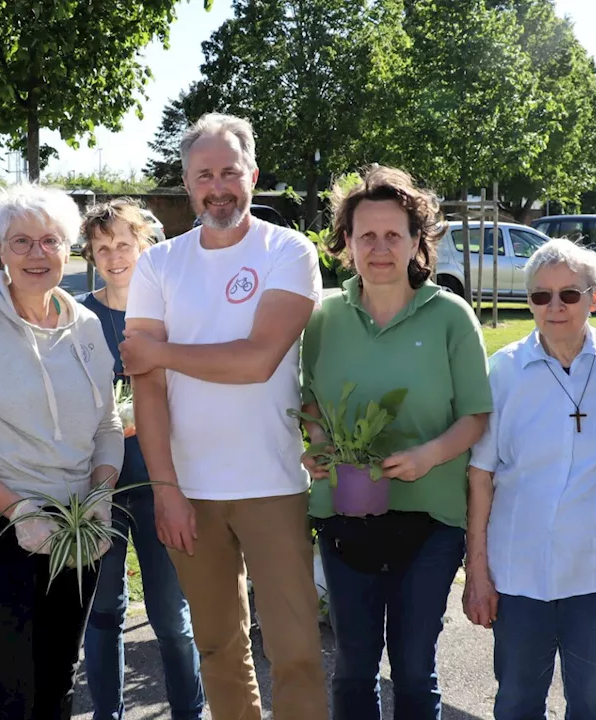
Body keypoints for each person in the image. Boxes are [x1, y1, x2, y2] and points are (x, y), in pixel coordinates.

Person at [119, 113, 328, 720]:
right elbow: (148, 387)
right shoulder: (159, 264)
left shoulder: (287, 250)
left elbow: (260, 360)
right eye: (203, 174)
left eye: (229, 171)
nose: (218, 186)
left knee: (296, 652)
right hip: (190, 490)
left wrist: (161, 352)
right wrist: (165, 488)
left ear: (253, 176)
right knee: (218, 645)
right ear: (186, 183)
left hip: (273, 483)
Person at [295, 165, 491, 720]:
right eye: (366, 236)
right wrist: (316, 443)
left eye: (393, 235)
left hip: (431, 517)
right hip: (345, 513)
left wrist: (425, 457)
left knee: (412, 667)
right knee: (354, 665)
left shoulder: (451, 316)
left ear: (416, 242)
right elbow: (308, 399)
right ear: (347, 243)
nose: (379, 248)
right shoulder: (322, 318)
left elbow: (476, 416)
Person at [0, 183, 124, 719]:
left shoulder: (86, 325)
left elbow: (107, 424)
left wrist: (102, 495)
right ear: (0, 253)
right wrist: (18, 509)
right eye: (22, 242)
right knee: (8, 690)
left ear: (68, 249)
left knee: (58, 677)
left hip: (75, 524)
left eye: (50, 241)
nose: (38, 254)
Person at [463, 238, 596, 719]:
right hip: (518, 575)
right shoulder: (503, 372)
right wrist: (478, 571)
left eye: (570, 295)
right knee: (515, 704)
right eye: (540, 296)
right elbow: (481, 476)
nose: (555, 307)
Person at [77, 199, 205, 720]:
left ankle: (189, 711)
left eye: (123, 245)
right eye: (102, 248)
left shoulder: (174, 312)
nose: (114, 256)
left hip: (164, 485)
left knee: (172, 615)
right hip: (100, 486)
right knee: (102, 611)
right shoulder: (77, 314)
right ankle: (108, 713)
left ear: (144, 246)